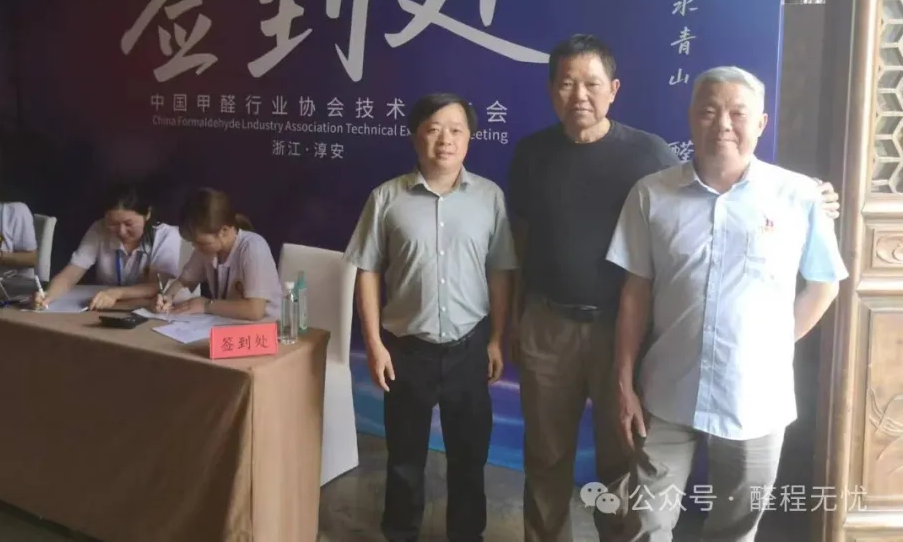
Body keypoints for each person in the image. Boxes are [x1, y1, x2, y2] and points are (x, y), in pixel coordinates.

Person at [507, 35, 841, 542]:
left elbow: (819, 280)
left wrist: (774, 340)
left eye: (592, 83)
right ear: (552, 89)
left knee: (626, 466)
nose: (580, 95)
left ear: (613, 89)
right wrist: (516, 320)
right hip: (560, 329)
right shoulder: (538, 156)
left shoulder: (650, 156)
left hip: (635, 337)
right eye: (567, 83)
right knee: (548, 458)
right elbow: (523, 240)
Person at [607, 66, 847, 542]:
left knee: (735, 528)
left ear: (761, 123)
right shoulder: (651, 194)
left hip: (755, 396)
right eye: (709, 111)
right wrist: (623, 382)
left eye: (738, 113)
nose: (723, 125)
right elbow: (635, 293)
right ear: (691, 117)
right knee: (645, 522)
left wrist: (772, 346)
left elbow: (824, 285)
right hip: (668, 389)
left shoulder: (798, 196)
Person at [344, 92, 517, 542]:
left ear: (470, 138)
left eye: (456, 130)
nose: (445, 140)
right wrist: (374, 344)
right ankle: (401, 533)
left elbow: (500, 271)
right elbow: (367, 271)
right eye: (434, 129)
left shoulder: (489, 197)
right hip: (406, 352)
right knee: (404, 460)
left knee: (469, 459)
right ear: (415, 136)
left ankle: (467, 535)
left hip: (469, 349)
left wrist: (497, 339)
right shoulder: (386, 198)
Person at [36, 185, 190, 312]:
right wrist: (47, 295)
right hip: (104, 309)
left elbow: (158, 286)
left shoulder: (166, 236)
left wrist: (117, 293)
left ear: (147, 214)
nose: (121, 231)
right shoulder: (99, 229)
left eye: (128, 224)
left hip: (146, 310)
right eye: (113, 224)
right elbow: (71, 274)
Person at [156, 188, 281, 321]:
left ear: (224, 231)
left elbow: (254, 311)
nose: (196, 247)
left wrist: (206, 305)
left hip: (267, 327)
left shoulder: (253, 247)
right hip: (229, 324)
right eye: (193, 242)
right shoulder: (206, 250)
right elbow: (183, 281)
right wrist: (168, 297)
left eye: (201, 243)